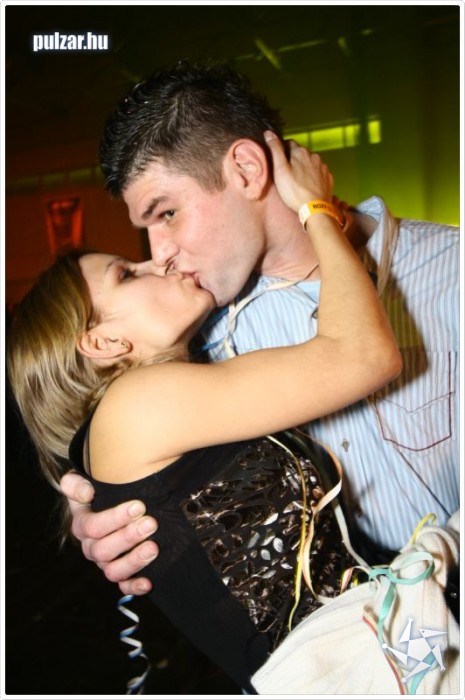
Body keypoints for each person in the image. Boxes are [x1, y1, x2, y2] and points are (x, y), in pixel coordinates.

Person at [8, 139, 404, 691]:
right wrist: (315, 207)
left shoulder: (161, 397)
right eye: (127, 274)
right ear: (103, 342)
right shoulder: (134, 406)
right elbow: (362, 355)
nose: (157, 259)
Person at [60, 62, 459, 597]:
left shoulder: (452, 269)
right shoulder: (194, 341)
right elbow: (97, 418)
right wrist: (92, 506)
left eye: (167, 213)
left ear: (247, 170)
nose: (160, 254)